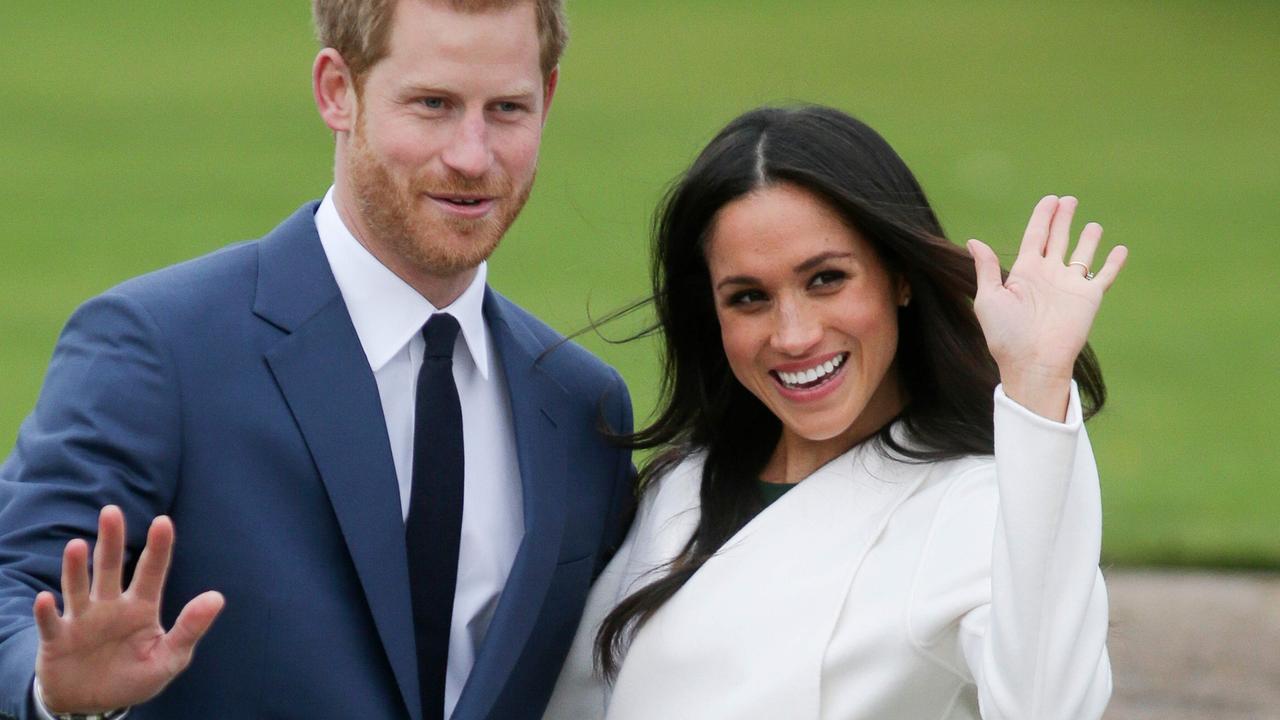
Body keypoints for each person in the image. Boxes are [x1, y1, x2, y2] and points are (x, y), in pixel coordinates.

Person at [0, 1, 635, 719]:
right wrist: (51, 692)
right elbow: (15, 585)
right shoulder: (158, 348)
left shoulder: (584, 409)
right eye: (433, 104)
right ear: (338, 90)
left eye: (509, 109)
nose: (471, 155)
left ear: (548, 98)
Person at [544, 105, 1125, 720]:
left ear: (898, 277)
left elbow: (1050, 705)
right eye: (748, 297)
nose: (793, 336)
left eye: (825, 279)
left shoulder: (974, 505)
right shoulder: (680, 485)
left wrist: (1036, 386)